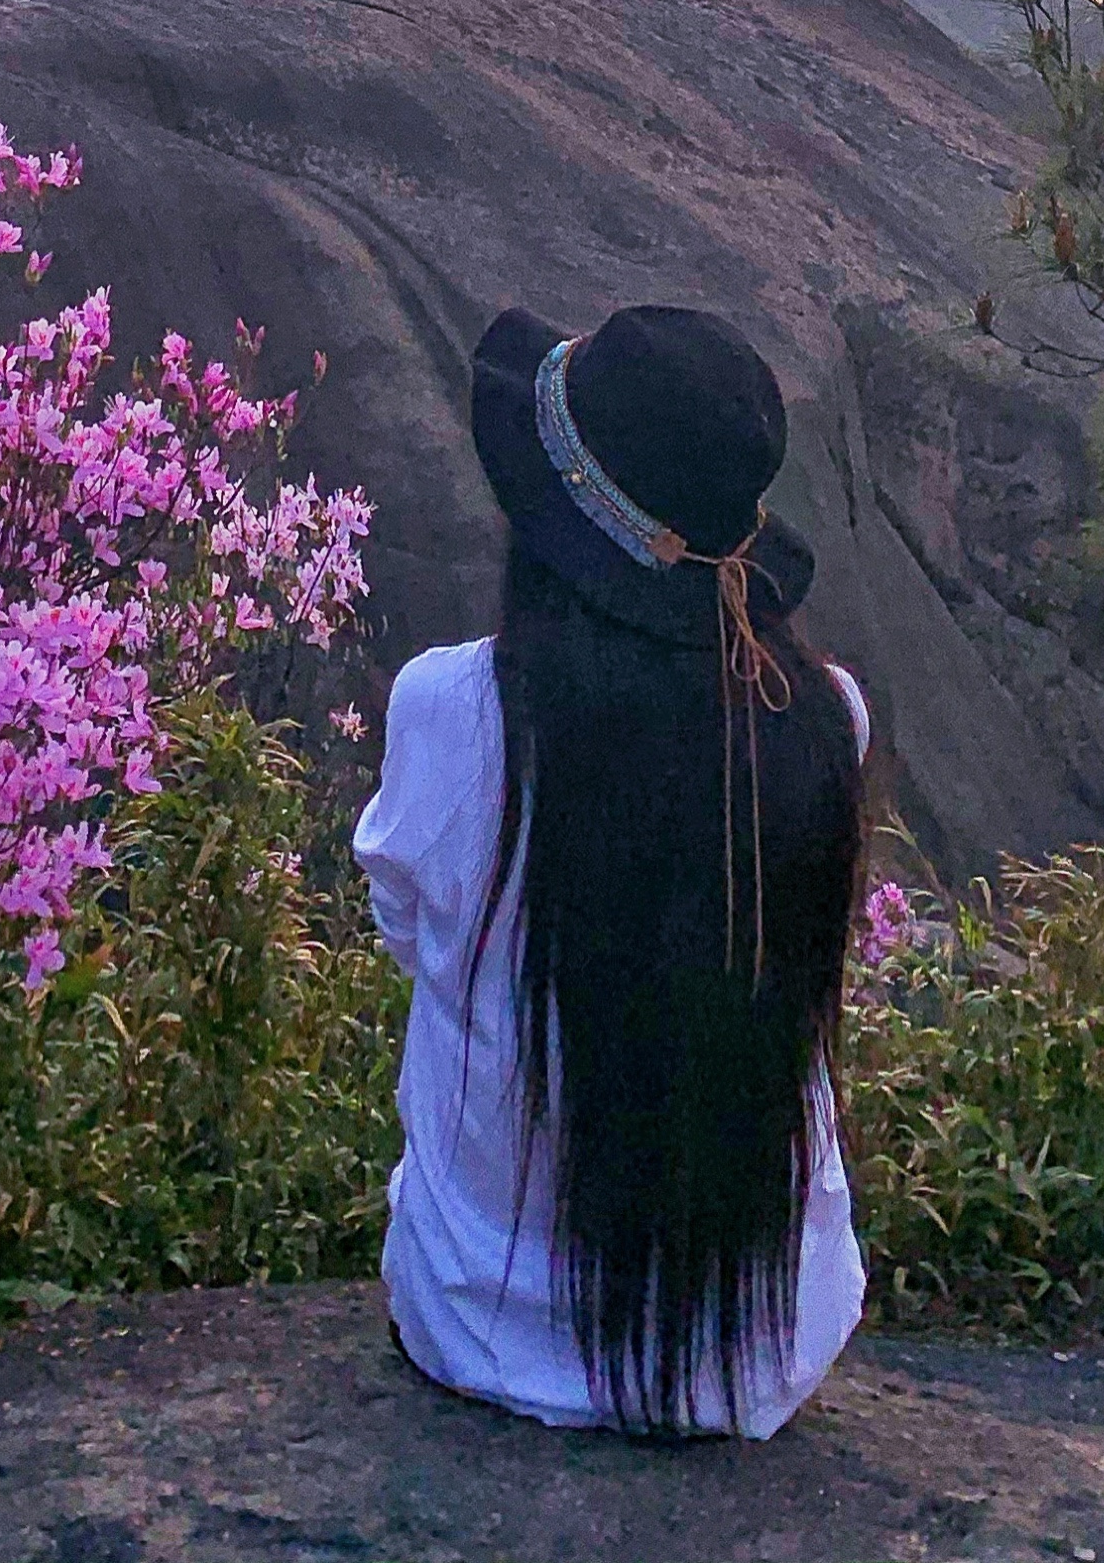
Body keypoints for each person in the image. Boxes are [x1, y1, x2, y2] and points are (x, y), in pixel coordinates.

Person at [352, 302, 870, 1440]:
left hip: (478, 1325)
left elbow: (407, 928)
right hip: (759, 1347)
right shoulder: (826, 719)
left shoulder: (453, 709)